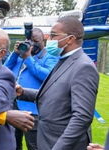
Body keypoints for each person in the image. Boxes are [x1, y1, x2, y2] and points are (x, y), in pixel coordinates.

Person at [16, 16, 99, 150]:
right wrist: (23, 92)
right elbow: (57, 95)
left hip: (61, 144)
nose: (49, 40)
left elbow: (82, 117)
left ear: (70, 39)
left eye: (53, 35)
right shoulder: (63, 60)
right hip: (48, 139)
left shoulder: (83, 66)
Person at [4, 28, 59, 150]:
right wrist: (15, 54)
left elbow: (47, 76)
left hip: (34, 111)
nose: (32, 44)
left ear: (43, 41)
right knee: (12, 144)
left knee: (35, 146)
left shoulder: (50, 58)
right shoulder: (20, 56)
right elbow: (4, 70)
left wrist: (29, 58)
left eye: (35, 41)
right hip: (14, 107)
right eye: (29, 41)